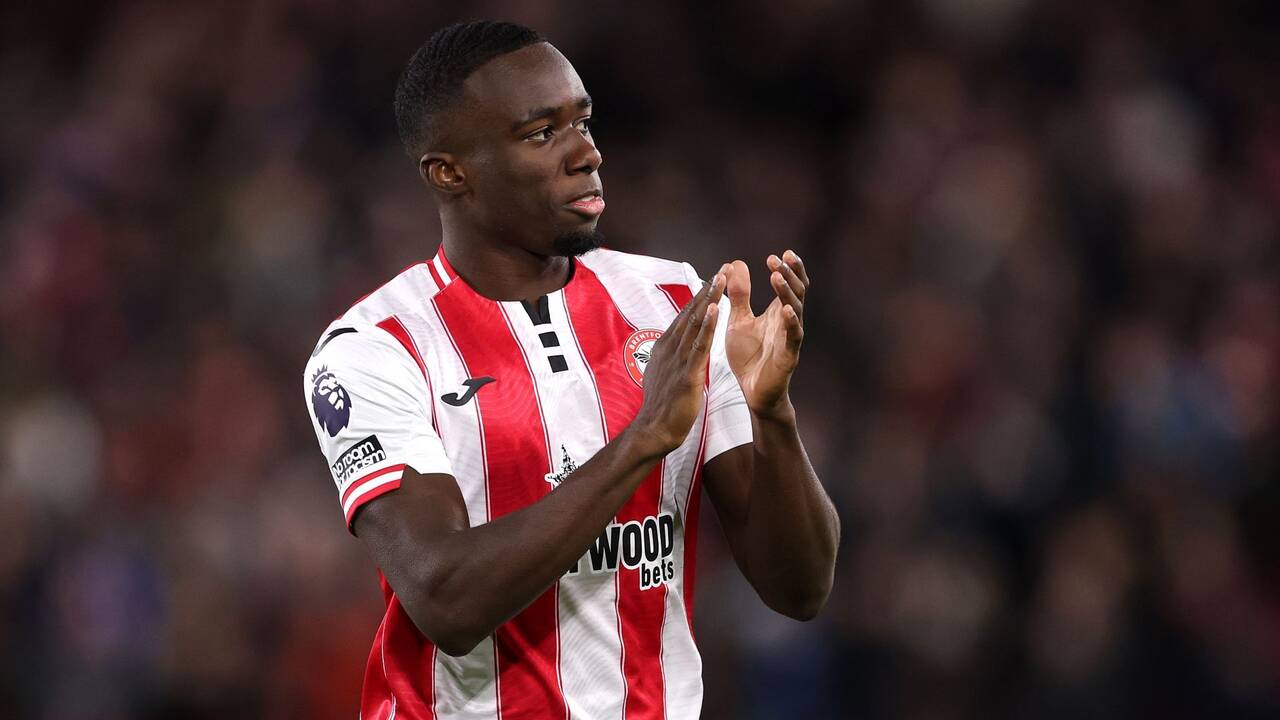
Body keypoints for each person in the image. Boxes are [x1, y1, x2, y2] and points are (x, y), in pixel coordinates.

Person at [303, 19, 840, 720]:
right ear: (449, 172)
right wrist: (642, 439)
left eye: (582, 123)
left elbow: (801, 589)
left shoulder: (671, 301)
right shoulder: (374, 348)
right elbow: (446, 599)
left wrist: (773, 417)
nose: (586, 153)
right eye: (541, 133)